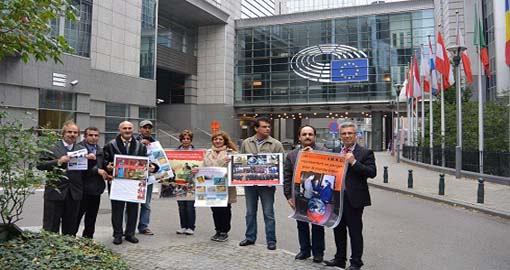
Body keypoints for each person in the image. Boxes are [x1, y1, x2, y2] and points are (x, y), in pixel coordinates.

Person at [324, 122, 377, 270]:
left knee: (354, 232)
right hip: (336, 198)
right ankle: (340, 259)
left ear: (355, 135)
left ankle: (356, 262)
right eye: (344, 133)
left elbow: (371, 173)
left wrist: (353, 162)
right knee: (338, 230)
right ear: (340, 136)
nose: (347, 136)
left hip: (354, 200)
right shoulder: (335, 151)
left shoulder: (365, 152)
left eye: (350, 133)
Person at [103, 121, 156, 245]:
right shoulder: (110, 145)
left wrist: (151, 167)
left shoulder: (140, 146)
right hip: (117, 182)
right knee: (117, 209)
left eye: (129, 128)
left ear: (133, 130)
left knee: (133, 209)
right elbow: (104, 160)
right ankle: (117, 234)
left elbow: (146, 161)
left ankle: (130, 234)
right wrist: (107, 166)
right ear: (120, 130)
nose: (127, 130)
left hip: (134, 182)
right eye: (125, 128)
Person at [37, 121, 93, 235]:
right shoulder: (51, 147)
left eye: (75, 132)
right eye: (69, 132)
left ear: (78, 135)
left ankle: (68, 250)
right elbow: (40, 165)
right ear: (63, 133)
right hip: (55, 191)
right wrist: (58, 161)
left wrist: (91, 160)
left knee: (70, 226)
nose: (72, 134)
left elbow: (86, 171)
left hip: (74, 193)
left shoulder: (81, 149)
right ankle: (50, 249)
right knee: (51, 226)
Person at [239, 117, 284, 250]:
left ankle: (271, 240)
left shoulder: (276, 144)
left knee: (268, 213)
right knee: (250, 212)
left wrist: (274, 178)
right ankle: (250, 237)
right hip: (250, 184)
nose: (267, 129)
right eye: (264, 127)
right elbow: (241, 160)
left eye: (268, 127)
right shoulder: (246, 143)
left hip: (267, 186)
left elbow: (282, 164)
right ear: (256, 128)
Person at [283, 125, 326, 263]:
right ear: (299, 137)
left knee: (317, 225)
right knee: (302, 224)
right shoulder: (292, 155)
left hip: (318, 195)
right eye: (304, 134)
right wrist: (288, 196)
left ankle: (318, 253)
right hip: (299, 195)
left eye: (310, 134)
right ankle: (304, 251)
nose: (307, 136)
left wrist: (314, 155)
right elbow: (287, 176)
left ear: (314, 136)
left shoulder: (325, 152)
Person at [197, 131, 238, 242]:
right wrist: (197, 170)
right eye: (215, 139)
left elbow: (236, 168)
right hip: (211, 185)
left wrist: (232, 162)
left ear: (224, 140)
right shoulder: (208, 152)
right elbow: (203, 166)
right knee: (215, 209)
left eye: (220, 139)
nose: (217, 141)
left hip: (225, 186)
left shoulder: (231, 153)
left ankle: (225, 231)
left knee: (225, 209)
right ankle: (218, 230)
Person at [75, 127, 110, 238]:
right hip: (82, 189)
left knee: (92, 217)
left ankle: (88, 239)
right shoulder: (79, 148)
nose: (94, 137)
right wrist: (97, 171)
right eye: (91, 135)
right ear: (85, 136)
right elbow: (78, 167)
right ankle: (70, 238)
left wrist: (108, 168)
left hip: (96, 189)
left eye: (96, 135)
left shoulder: (100, 150)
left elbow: (102, 165)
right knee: (77, 216)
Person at [136, 120, 156, 236]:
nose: (147, 130)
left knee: (146, 204)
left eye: (149, 128)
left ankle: (144, 226)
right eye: (145, 127)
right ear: (140, 129)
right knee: (132, 202)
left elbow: (159, 160)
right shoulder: (134, 141)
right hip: (136, 176)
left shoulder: (155, 143)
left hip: (149, 177)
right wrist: (140, 144)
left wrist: (156, 167)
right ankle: (129, 226)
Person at [175, 129, 197, 235]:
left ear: (191, 140)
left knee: (190, 205)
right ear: (181, 140)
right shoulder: (175, 152)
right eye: (183, 138)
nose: (186, 140)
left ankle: (191, 227)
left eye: (188, 138)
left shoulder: (197, 152)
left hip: (191, 182)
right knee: (181, 205)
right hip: (179, 182)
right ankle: (183, 226)